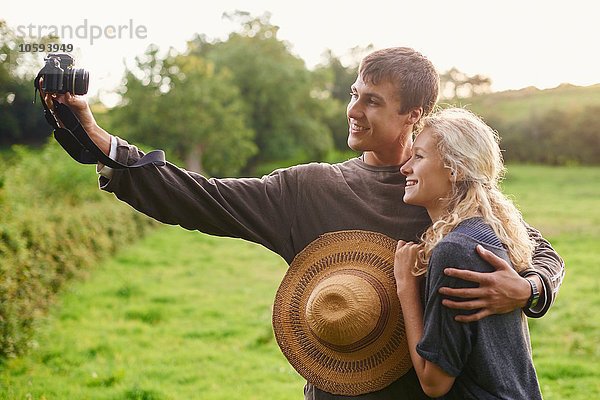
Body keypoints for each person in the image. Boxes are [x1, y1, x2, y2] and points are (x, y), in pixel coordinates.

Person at [43, 47, 563, 399]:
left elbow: (539, 252)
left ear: (415, 116)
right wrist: (98, 140)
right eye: (354, 93)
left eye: (372, 100)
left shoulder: (449, 195)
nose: (353, 109)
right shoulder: (309, 190)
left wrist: (530, 289)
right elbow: (201, 199)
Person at [394, 107, 545, 398]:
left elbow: (434, 382)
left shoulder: (455, 250)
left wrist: (405, 286)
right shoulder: (490, 232)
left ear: (456, 169)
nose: (405, 167)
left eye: (419, 156)